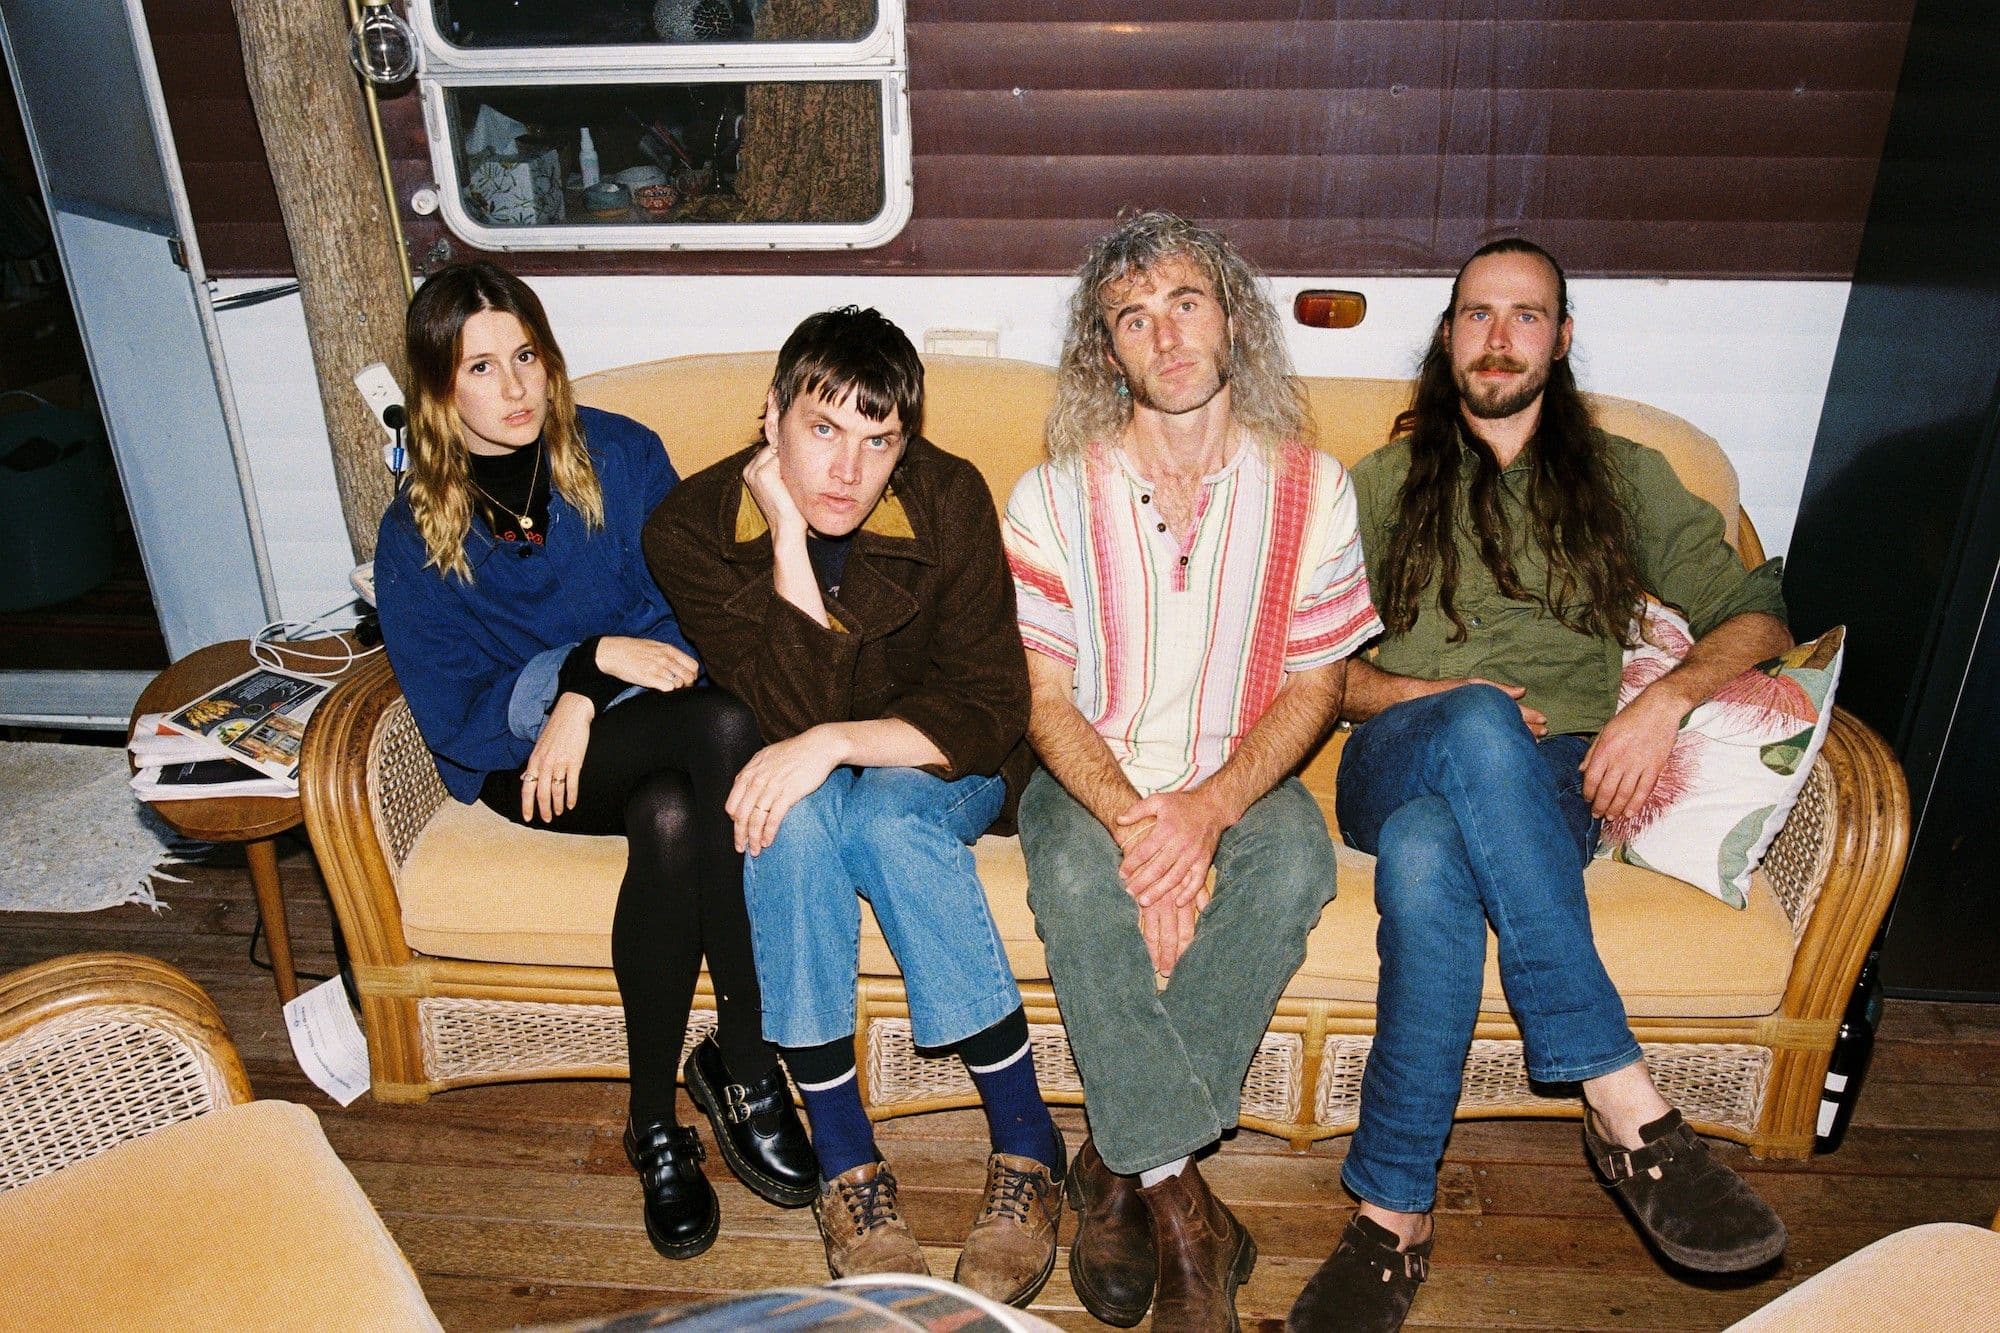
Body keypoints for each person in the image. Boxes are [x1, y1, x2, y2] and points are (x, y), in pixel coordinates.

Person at [1285, 238, 1791, 1332]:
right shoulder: (1377, 485)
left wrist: (1660, 702)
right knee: (1464, 727)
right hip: (1398, 750)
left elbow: (1756, 613)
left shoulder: (1623, 476)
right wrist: (1440, 687)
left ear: (1559, 342)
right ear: (1447, 337)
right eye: (1475, 315)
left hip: (1557, 775)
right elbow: (1320, 674)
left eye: (1524, 316)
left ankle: (1388, 1219)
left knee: (1429, 858)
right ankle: (1620, 1098)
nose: (1497, 337)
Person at [372, 262, 816, 1263]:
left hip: (635, 732)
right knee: (718, 731)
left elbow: (682, 618)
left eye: (526, 355)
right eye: (482, 367)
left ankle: (658, 1116)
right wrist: (573, 668)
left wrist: (585, 687)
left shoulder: (618, 453)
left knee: (674, 802)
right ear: (441, 389)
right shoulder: (413, 533)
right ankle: (744, 1063)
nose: (516, 385)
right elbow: (454, 712)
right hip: (520, 766)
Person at [642, 307, 1064, 1306]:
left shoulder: (946, 496)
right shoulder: (689, 532)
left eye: (879, 442)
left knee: (877, 812)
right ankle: (846, 1164)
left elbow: (987, 703)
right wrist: (785, 536)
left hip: (937, 760)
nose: (847, 469)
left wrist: (837, 742)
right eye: (822, 430)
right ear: (770, 417)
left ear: (904, 448)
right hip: (815, 772)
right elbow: (787, 711)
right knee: (788, 818)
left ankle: (1024, 1138)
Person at [1005, 212, 1382, 1332]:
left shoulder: (1315, 488)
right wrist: (1139, 827)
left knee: (1295, 861)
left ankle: (1116, 1167)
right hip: (1092, 776)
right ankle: (1185, 1216)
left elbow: (1316, 686)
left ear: (1231, 319)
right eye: (1132, 318)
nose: (1163, 336)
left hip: (1242, 777)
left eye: (1184, 304)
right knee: (1074, 881)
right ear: (1103, 352)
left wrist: (1209, 814)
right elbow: (1041, 701)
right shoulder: (1051, 494)